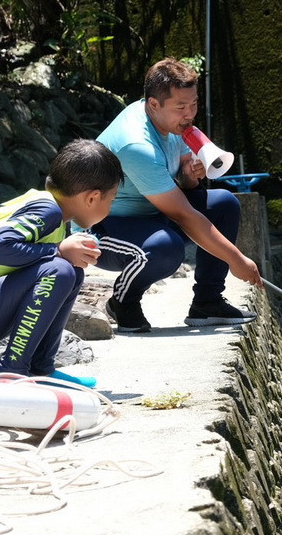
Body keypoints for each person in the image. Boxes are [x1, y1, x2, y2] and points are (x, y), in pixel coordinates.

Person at [92, 57, 259, 333]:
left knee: (224, 203)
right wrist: (236, 260)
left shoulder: (171, 122)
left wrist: (190, 175)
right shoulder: (137, 143)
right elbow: (183, 213)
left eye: (193, 104)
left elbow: (183, 179)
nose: (189, 114)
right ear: (153, 104)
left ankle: (208, 302)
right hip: (106, 227)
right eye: (181, 107)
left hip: (152, 211)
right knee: (166, 248)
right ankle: (123, 301)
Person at [0, 139, 123, 386]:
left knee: (71, 270)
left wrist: (62, 252)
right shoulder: (48, 210)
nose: (110, 207)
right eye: (111, 200)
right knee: (59, 270)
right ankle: (11, 370)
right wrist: (57, 250)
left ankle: (41, 367)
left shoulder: (54, 213)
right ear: (92, 198)